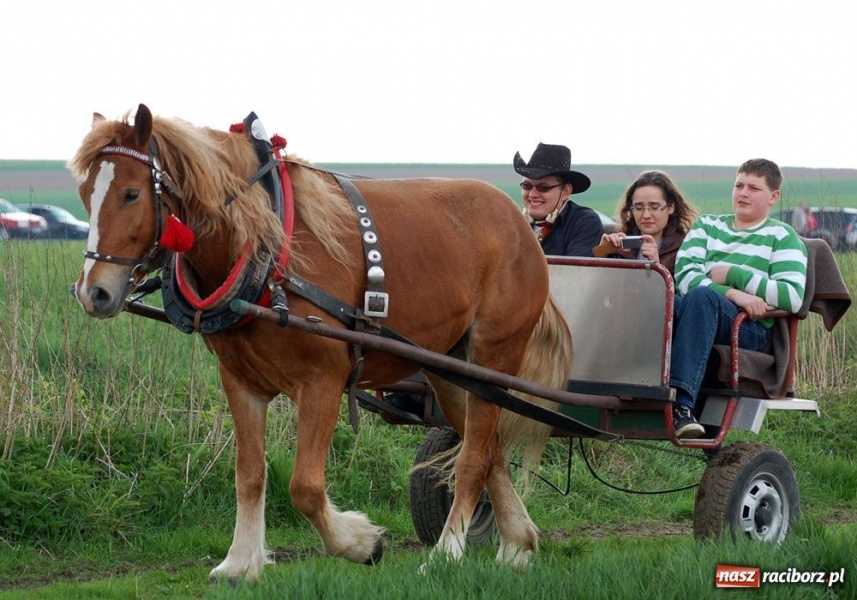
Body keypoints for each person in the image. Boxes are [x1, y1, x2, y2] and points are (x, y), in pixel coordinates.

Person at [669, 159, 808, 438]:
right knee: (661, 299)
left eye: (753, 188)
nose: (743, 193)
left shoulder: (782, 236)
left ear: (773, 197)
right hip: (701, 309)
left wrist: (736, 274)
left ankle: (681, 406)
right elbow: (684, 277)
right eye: (739, 185)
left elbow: (792, 296)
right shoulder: (707, 225)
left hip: (748, 328)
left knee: (703, 296)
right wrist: (735, 294)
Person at [594, 170, 699, 275]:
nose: (646, 215)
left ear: (670, 207)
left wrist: (657, 267)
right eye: (639, 208)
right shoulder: (620, 243)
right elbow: (595, 282)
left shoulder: (685, 248)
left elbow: (685, 284)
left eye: (654, 207)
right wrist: (601, 254)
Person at [514, 142, 604, 256]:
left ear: (565, 192)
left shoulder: (584, 222)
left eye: (543, 187)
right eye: (526, 186)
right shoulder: (511, 222)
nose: (532, 194)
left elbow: (574, 267)